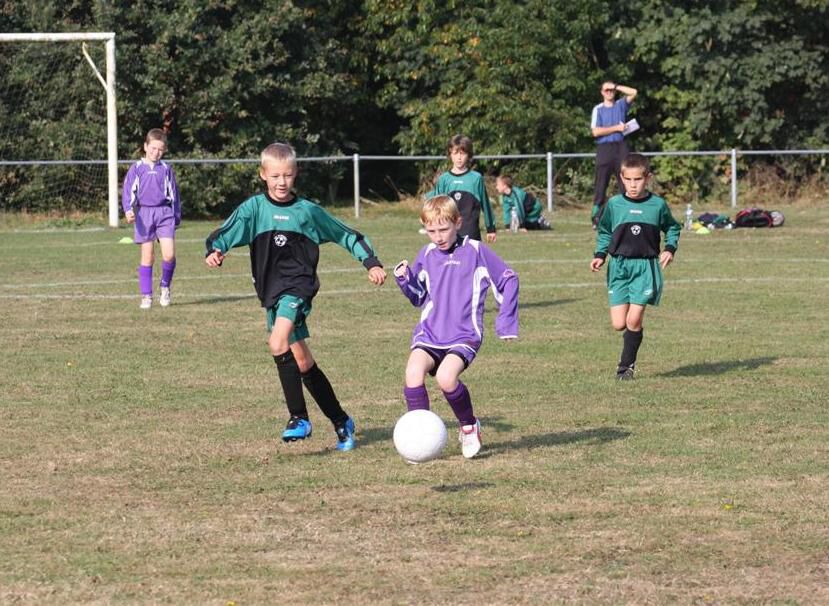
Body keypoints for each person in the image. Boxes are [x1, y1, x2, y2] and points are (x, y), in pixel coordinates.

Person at [205, 142, 387, 451]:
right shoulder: (254, 209)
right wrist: (216, 249)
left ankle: (298, 418)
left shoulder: (307, 212)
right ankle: (341, 420)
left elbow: (346, 234)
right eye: (275, 175)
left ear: (296, 174)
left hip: (298, 288)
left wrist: (371, 262)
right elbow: (226, 231)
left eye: (287, 175)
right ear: (263, 174)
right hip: (272, 294)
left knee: (277, 342)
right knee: (302, 361)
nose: (281, 182)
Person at [394, 195, 519, 458]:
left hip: (464, 335)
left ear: (458, 223)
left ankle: (469, 426)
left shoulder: (476, 251)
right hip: (430, 332)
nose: (438, 237)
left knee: (446, 378)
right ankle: (419, 439)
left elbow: (508, 279)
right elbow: (418, 297)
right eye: (431, 231)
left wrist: (506, 321)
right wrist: (405, 279)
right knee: (413, 372)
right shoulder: (426, 254)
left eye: (443, 229)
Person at [589, 153, 680, 380]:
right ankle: (632, 339)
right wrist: (600, 254)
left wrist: (669, 248)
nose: (632, 185)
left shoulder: (657, 205)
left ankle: (626, 367)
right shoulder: (614, 204)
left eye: (637, 179)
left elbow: (672, 227)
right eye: (628, 179)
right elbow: (605, 231)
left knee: (633, 319)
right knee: (619, 323)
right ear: (621, 178)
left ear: (647, 178)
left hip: (645, 266)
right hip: (619, 267)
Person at [122, 128, 181, 309]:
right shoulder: (136, 168)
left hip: (164, 214)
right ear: (145, 146)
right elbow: (128, 191)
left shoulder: (166, 169)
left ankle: (165, 287)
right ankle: (146, 295)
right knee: (147, 256)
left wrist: (176, 216)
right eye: (153, 148)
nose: (156, 152)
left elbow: (174, 194)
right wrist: (128, 210)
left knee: (169, 255)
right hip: (144, 215)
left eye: (160, 149)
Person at [426, 134, 497, 243]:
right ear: (450, 154)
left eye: (462, 153)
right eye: (455, 153)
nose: (459, 157)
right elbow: (436, 207)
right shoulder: (444, 179)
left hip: (471, 232)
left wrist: (491, 228)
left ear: (469, 155)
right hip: (449, 233)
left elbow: (485, 205)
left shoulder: (476, 178)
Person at [590, 81, 638, 228]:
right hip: (604, 148)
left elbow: (634, 92)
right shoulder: (598, 109)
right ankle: (596, 217)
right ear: (602, 92)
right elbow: (595, 131)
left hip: (620, 146)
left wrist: (616, 86)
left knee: (626, 179)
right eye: (607, 90)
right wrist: (616, 128)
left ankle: (628, 213)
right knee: (601, 183)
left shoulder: (620, 105)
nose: (610, 92)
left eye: (612, 90)